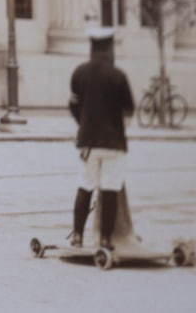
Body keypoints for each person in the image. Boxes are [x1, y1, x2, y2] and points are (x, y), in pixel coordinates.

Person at [68, 25, 135, 250]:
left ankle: (77, 236)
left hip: (87, 142)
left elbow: (73, 105)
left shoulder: (79, 73)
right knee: (110, 189)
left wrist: (85, 125)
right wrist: (117, 129)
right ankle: (105, 239)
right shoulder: (118, 76)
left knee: (85, 186)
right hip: (113, 143)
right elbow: (129, 111)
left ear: (92, 47)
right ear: (109, 48)